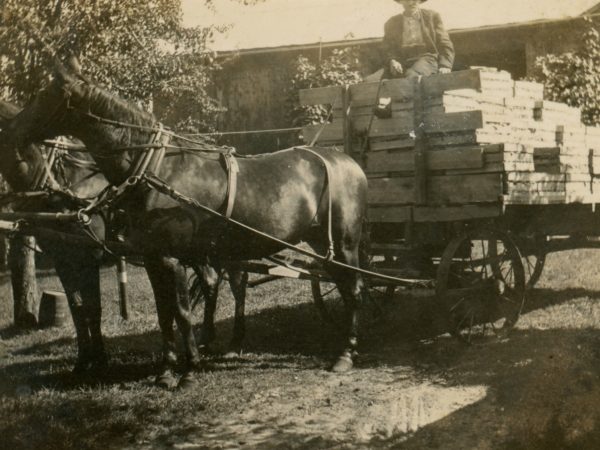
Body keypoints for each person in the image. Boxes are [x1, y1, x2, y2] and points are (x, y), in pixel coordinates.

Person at [382, 0, 454, 79]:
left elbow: (444, 42)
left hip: (427, 58)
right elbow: (388, 48)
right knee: (372, 81)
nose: (411, 3)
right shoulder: (392, 22)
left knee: (411, 76)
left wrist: (445, 65)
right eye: (407, 0)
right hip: (402, 61)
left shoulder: (432, 16)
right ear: (400, 1)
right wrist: (392, 60)